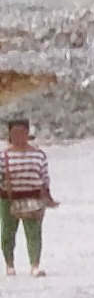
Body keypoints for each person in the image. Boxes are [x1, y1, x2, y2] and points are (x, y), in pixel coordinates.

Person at [0, 114, 49, 276]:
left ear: (28, 133)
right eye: (14, 133)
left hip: (32, 197)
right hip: (9, 199)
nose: (18, 137)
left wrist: (47, 197)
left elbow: (44, 177)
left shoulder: (39, 154)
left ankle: (35, 265)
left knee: (34, 232)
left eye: (21, 133)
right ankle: (9, 264)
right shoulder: (3, 156)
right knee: (8, 232)